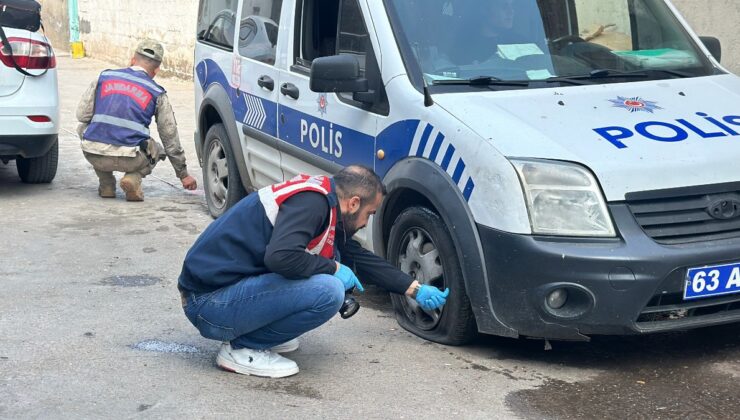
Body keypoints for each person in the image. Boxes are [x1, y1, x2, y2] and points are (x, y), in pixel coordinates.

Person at [178, 166, 450, 378]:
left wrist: (413, 288)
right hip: (207, 303)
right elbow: (281, 258)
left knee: (331, 267)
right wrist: (332, 267)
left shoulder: (323, 199)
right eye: (369, 213)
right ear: (354, 203)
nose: (367, 223)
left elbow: (359, 257)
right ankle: (242, 348)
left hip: (216, 294)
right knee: (328, 291)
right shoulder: (312, 203)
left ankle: (255, 335)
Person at [76, 39, 197, 201]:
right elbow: (170, 136)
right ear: (156, 70)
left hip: (95, 155)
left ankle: (106, 183)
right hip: (131, 159)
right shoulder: (156, 92)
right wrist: (183, 174)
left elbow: (82, 115)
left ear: (133, 60)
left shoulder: (103, 77)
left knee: (82, 127)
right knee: (159, 148)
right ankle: (133, 177)